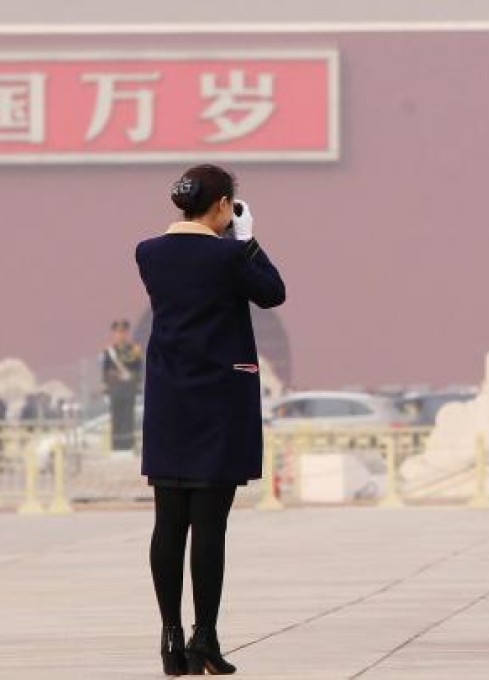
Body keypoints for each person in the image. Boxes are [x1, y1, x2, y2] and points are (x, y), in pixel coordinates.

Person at [136, 164, 285, 676]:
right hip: (219, 403)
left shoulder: (148, 253)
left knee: (168, 523)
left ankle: (170, 639)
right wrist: (248, 242)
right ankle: (205, 638)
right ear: (223, 205)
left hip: (170, 402)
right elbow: (272, 292)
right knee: (210, 528)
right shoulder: (228, 256)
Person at [102, 319, 143, 452]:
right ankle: (116, 445)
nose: (121, 335)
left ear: (127, 333)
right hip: (115, 389)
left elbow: (138, 369)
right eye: (118, 332)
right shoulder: (109, 352)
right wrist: (108, 385)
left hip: (129, 389)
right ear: (114, 334)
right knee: (117, 416)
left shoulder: (134, 350)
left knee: (128, 416)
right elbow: (105, 371)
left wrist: (133, 380)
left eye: (123, 332)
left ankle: (128, 445)